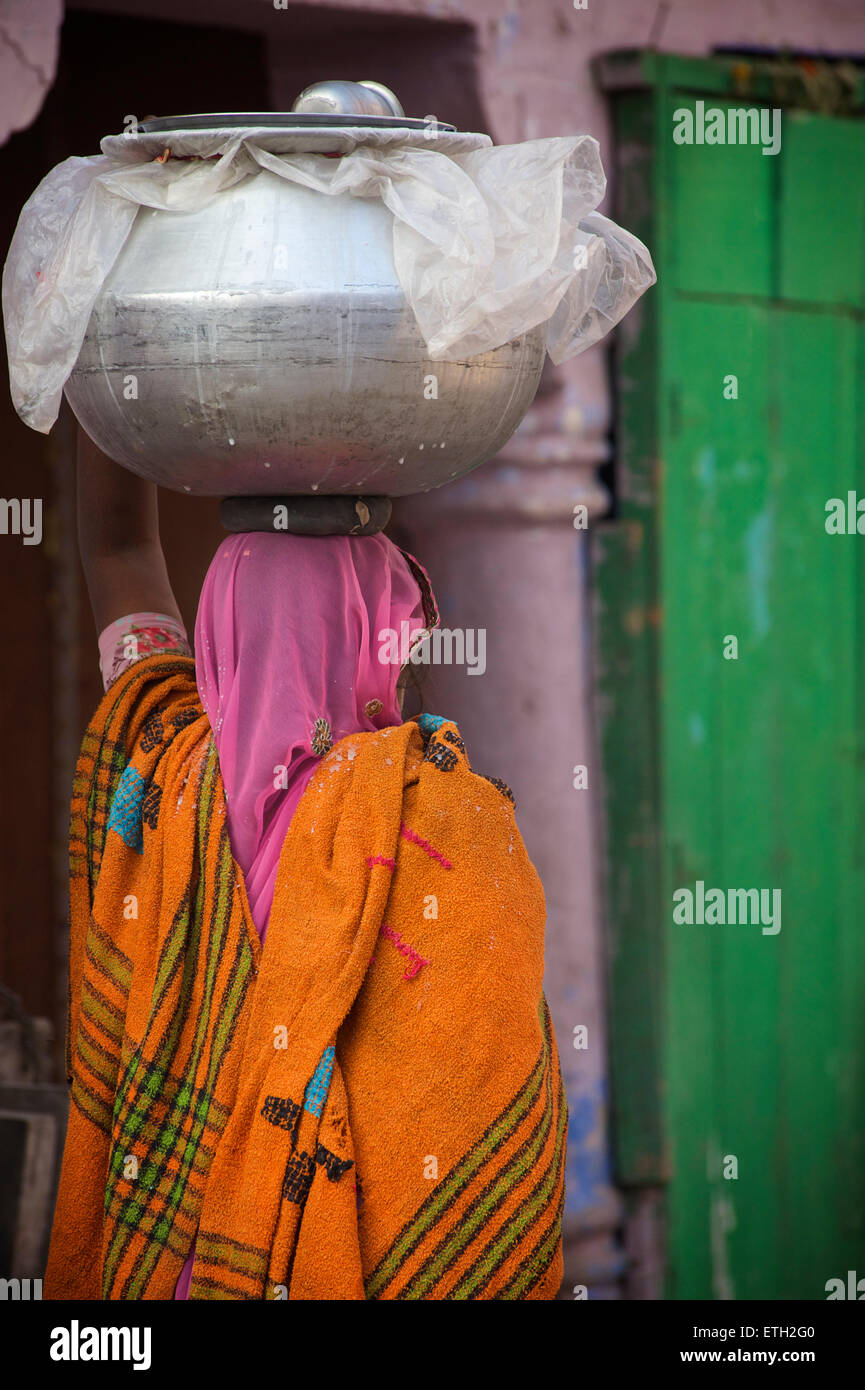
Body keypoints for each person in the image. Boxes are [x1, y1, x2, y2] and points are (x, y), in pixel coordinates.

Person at [44, 426, 567, 1301]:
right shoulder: (448, 825)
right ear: (381, 639)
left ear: (217, 641)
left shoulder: (159, 769)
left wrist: (99, 369)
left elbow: (121, 548)